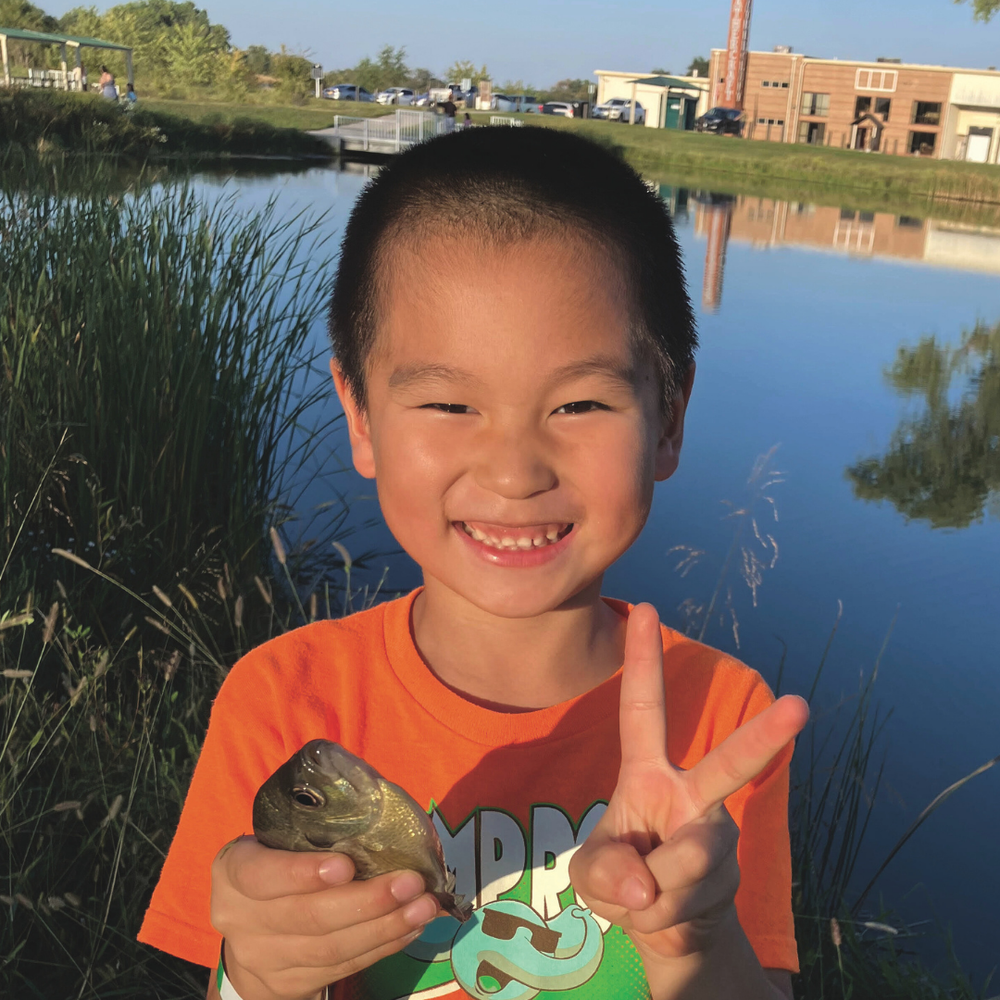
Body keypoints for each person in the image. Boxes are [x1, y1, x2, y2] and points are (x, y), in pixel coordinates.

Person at [138, 127, 809, 1000]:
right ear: (361, 417)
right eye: (450, 405)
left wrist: (692, 944)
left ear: (669, 418)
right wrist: (261, 973)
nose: (514, 472)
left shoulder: (723, 720)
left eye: (580, 404)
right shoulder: (283, 702)